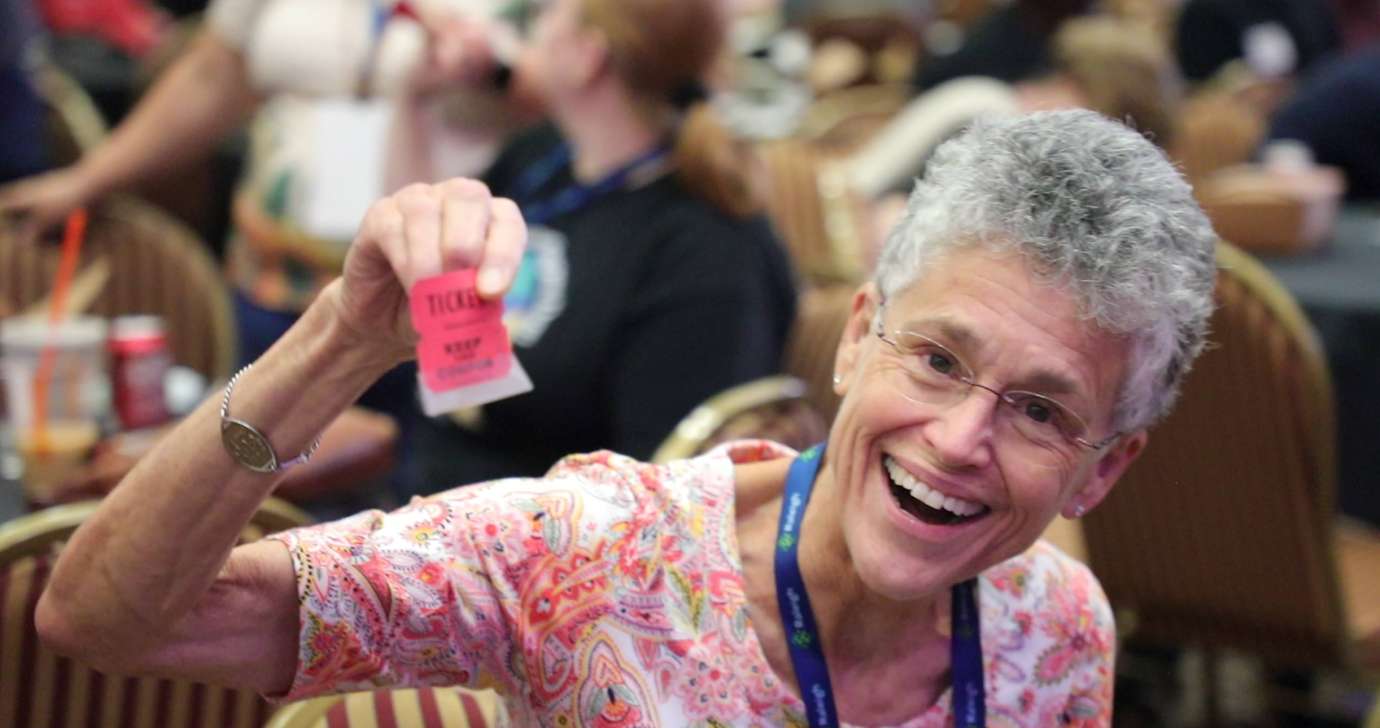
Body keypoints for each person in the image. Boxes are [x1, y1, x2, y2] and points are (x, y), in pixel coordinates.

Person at [35, 109, 1218, 725]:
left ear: (1103, 471)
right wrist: (343, 340)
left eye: (1040, 409)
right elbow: (108, 619)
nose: (960, 437)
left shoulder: (1059, 629)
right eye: (939, 356)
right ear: (857, 334)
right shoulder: (594, 552)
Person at [389, 0, 797, 490]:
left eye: (548, 10)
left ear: (588, 54)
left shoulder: (707, 254)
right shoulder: (545, 157)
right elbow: (419, 260)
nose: (531, 30)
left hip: (529, 543)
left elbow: (662, 501)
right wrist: (413, 101)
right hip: (429, 472)